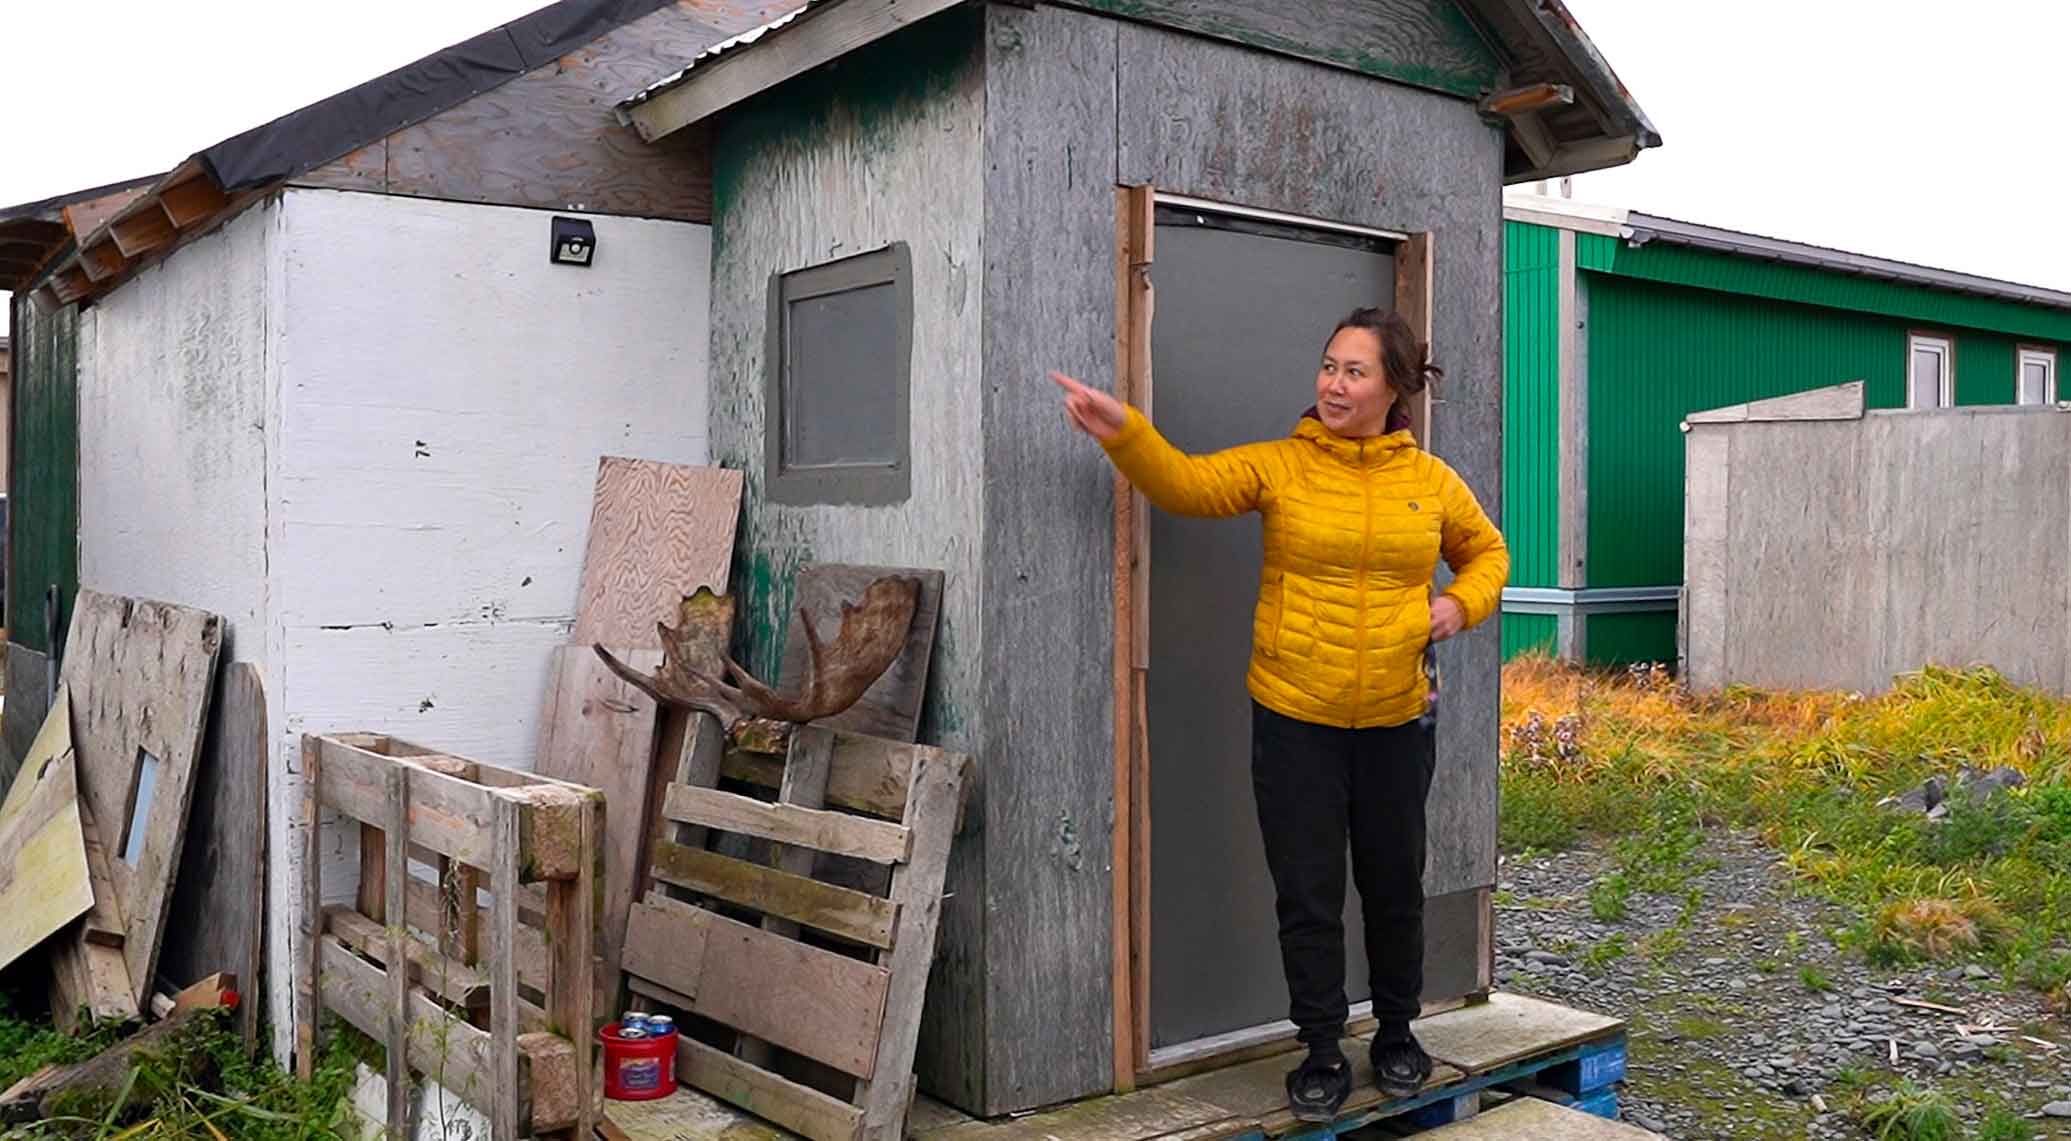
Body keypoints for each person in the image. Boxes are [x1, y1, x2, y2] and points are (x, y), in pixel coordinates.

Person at [1049, 307, 1509, 1122]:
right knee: (1308, 890)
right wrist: (1124, 433)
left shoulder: (1429, 483)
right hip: (1295, 714)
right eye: (1328, 365)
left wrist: (1457, 605)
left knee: (1394, 882)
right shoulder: (1282, 467)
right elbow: (1186, 484)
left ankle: (1398, 1032)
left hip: (1399, 719)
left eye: (1354, 371)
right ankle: (1322, 1047)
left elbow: (1488, 552)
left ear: (1393, 386)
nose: (1333, 383)